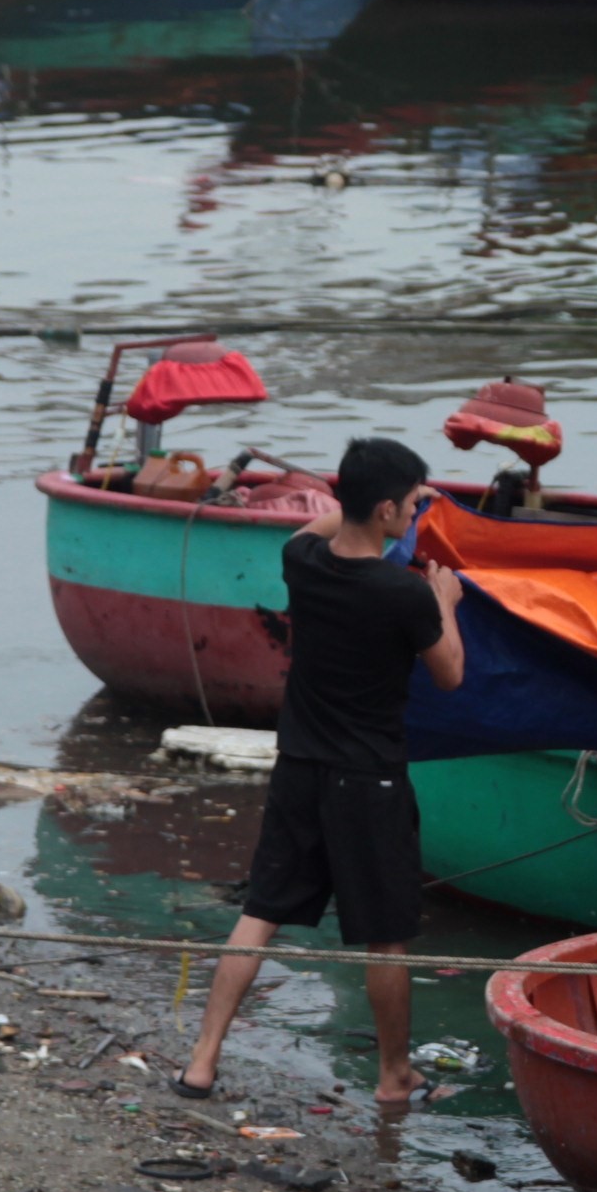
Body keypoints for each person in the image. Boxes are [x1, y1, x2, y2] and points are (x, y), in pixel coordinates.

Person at [179, 437, 466, 1109]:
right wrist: (446, 601)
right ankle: (395, 1075)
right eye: (412, 506)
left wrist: (376, 502)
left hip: (301, 769)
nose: (416, 516)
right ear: (390, 509)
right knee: (386, 935)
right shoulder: (405, 594)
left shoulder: (300, 560)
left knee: (259, 914)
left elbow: (330, 525)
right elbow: (451, 676)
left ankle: (201, 1059)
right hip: (371, 780)